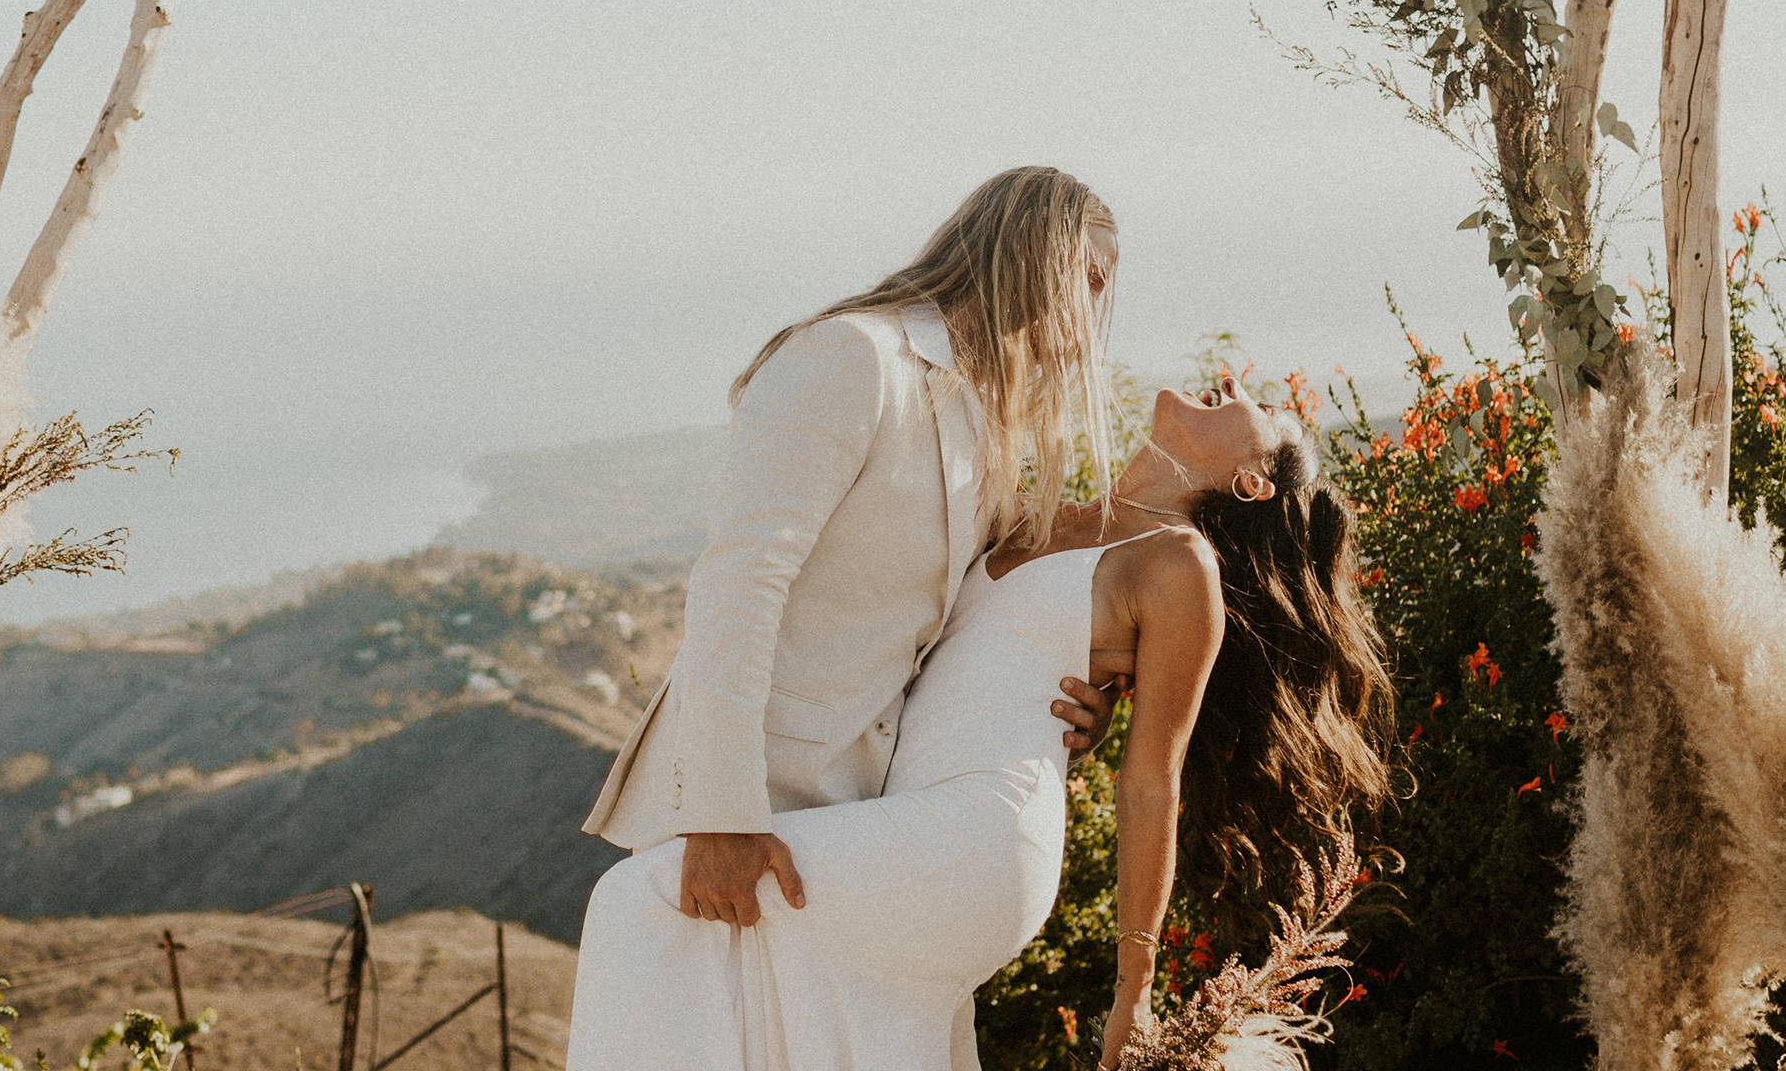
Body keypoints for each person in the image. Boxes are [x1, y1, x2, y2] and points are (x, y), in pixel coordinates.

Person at [566, 367, 1396, 1069]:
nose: (1234, 381)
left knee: (641, 900)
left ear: (1251, 481)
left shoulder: (1180, 565)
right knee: (725, 960)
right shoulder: (1039, 517)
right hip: (907, 816)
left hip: (981, 840)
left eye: (1261, 406)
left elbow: (1153, 786)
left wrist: (1132, 994)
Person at [570, 166, 1122, 1062]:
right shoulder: (854, 358)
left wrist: (1052, 702)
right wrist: (722, 813)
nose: (1094, 314)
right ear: (1029, 258)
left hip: (859, 819)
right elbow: (738, 585)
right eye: (1088, 281)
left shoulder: (986, 415)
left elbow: (963, 617)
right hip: (746, 804)